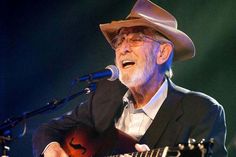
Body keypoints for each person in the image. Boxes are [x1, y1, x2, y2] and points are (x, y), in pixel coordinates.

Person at [32, 0, 227, 156]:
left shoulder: (202, 111)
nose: (123, 48)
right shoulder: (104, 97)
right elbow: (47, 130)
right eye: (119, 41)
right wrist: (54, 150)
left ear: (163, 53)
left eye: (136, 39)